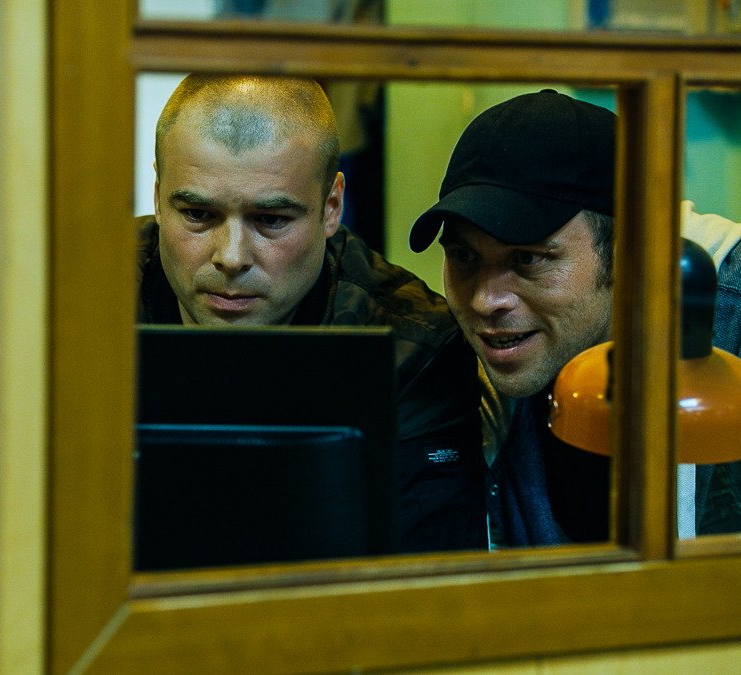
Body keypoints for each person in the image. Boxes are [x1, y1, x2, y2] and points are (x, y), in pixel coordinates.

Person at [137, 74, 486, 553]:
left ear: (331, 207)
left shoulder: (410, 347)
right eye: (198, 215)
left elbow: (419, 574)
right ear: (158, 197)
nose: (231, 257)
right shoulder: (72, 305)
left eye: (271, 220)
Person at [409, 89, 741, 547]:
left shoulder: (739, 315)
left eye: (528, 259)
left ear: (631, 250)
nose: (485, 301)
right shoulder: (462, 371)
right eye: (464, 256)